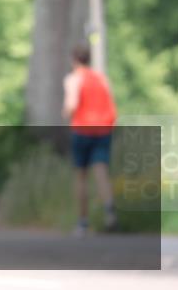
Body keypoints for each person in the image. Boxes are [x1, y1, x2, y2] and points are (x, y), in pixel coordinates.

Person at [62, 44, 117, 236]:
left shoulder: (74, 79)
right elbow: (111, 102)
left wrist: (65, 114)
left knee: (81, 176)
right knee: (101, 170)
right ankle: (109, 206)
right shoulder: (102, 78)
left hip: (83, 130)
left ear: (74, 59)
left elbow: (72, 104)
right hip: (103, 130)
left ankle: (83, 222)